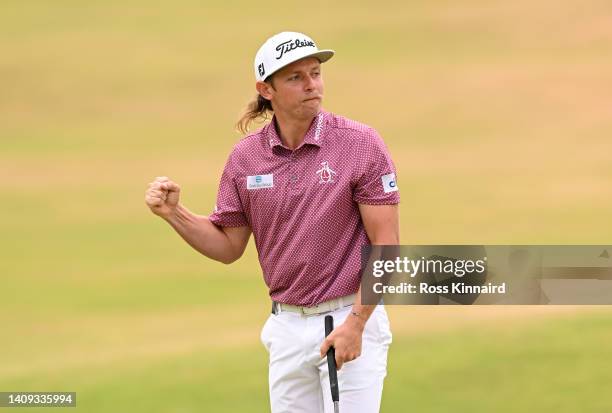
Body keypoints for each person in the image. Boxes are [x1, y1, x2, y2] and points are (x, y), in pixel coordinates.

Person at [145, 31, 400, 413]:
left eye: (315, 73)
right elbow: (229, 246)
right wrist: (175, 215)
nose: (312, 84)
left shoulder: (359, 143)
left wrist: (358, 323)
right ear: (266, 89)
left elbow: (386, 245)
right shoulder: (245, 159)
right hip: (285, 327)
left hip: (349, 316)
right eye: (295, 78)